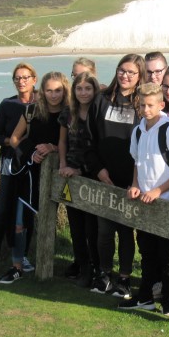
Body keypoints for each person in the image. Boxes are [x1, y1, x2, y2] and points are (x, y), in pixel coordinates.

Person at [120, 83, 169, 317]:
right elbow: (137, 162)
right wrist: (135, 185)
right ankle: (145, 298)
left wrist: (158, 191)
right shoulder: (138, 130)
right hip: (145, 203)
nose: (146, 109)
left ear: (161, 104)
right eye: (142, 105)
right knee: (147, 252)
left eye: (150, 105)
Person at [0, 71, 70, 284]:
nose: (53, 95)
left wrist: (52, 147)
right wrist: (31, 153)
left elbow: (67, 143)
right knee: (19, 221)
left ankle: (48, 266)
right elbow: (14, 138)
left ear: (65, 91)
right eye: (49, 90)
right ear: (42, 91)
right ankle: (17, 266)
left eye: (58, 90)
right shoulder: (31, 111)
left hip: (56, 175)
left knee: (49, 221)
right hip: (29, 172)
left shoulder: (68, 114)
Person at [85, 54, 145, 299]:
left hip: (131, 181)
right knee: (104, 231)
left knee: (126, 232)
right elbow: (89, 138)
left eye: (131, 72)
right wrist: (98, 169)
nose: (125, 76)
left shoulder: (142, 105)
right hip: (103, 178)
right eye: (122, 70)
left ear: (139, 76)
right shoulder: (101, 100)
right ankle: (105, 275)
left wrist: (136, 181)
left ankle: (124, 279)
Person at [0, 63, 38, 276]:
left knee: (27, 211)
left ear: (34, 79)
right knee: (3, 209)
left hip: (32, 165)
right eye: (17, 78)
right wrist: (14, 142)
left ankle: (22, 255)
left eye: (25, 77)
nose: (21, 81)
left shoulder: (42, 103)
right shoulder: (7, 104)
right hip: (10, 162)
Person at [58, 72, 101, 287]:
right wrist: (63, 164)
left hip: (93, 175)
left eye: (88, 88)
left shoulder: (99, 112)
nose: (83, 93)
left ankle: (97, 269)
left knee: (92, 228)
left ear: (95, 90)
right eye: (79, 88)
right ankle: (83, 268)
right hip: (71, 175)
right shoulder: (68, 113)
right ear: (73, 91)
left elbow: (101, 146)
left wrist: (82, 170)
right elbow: (62, 142)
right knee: (76, 227)